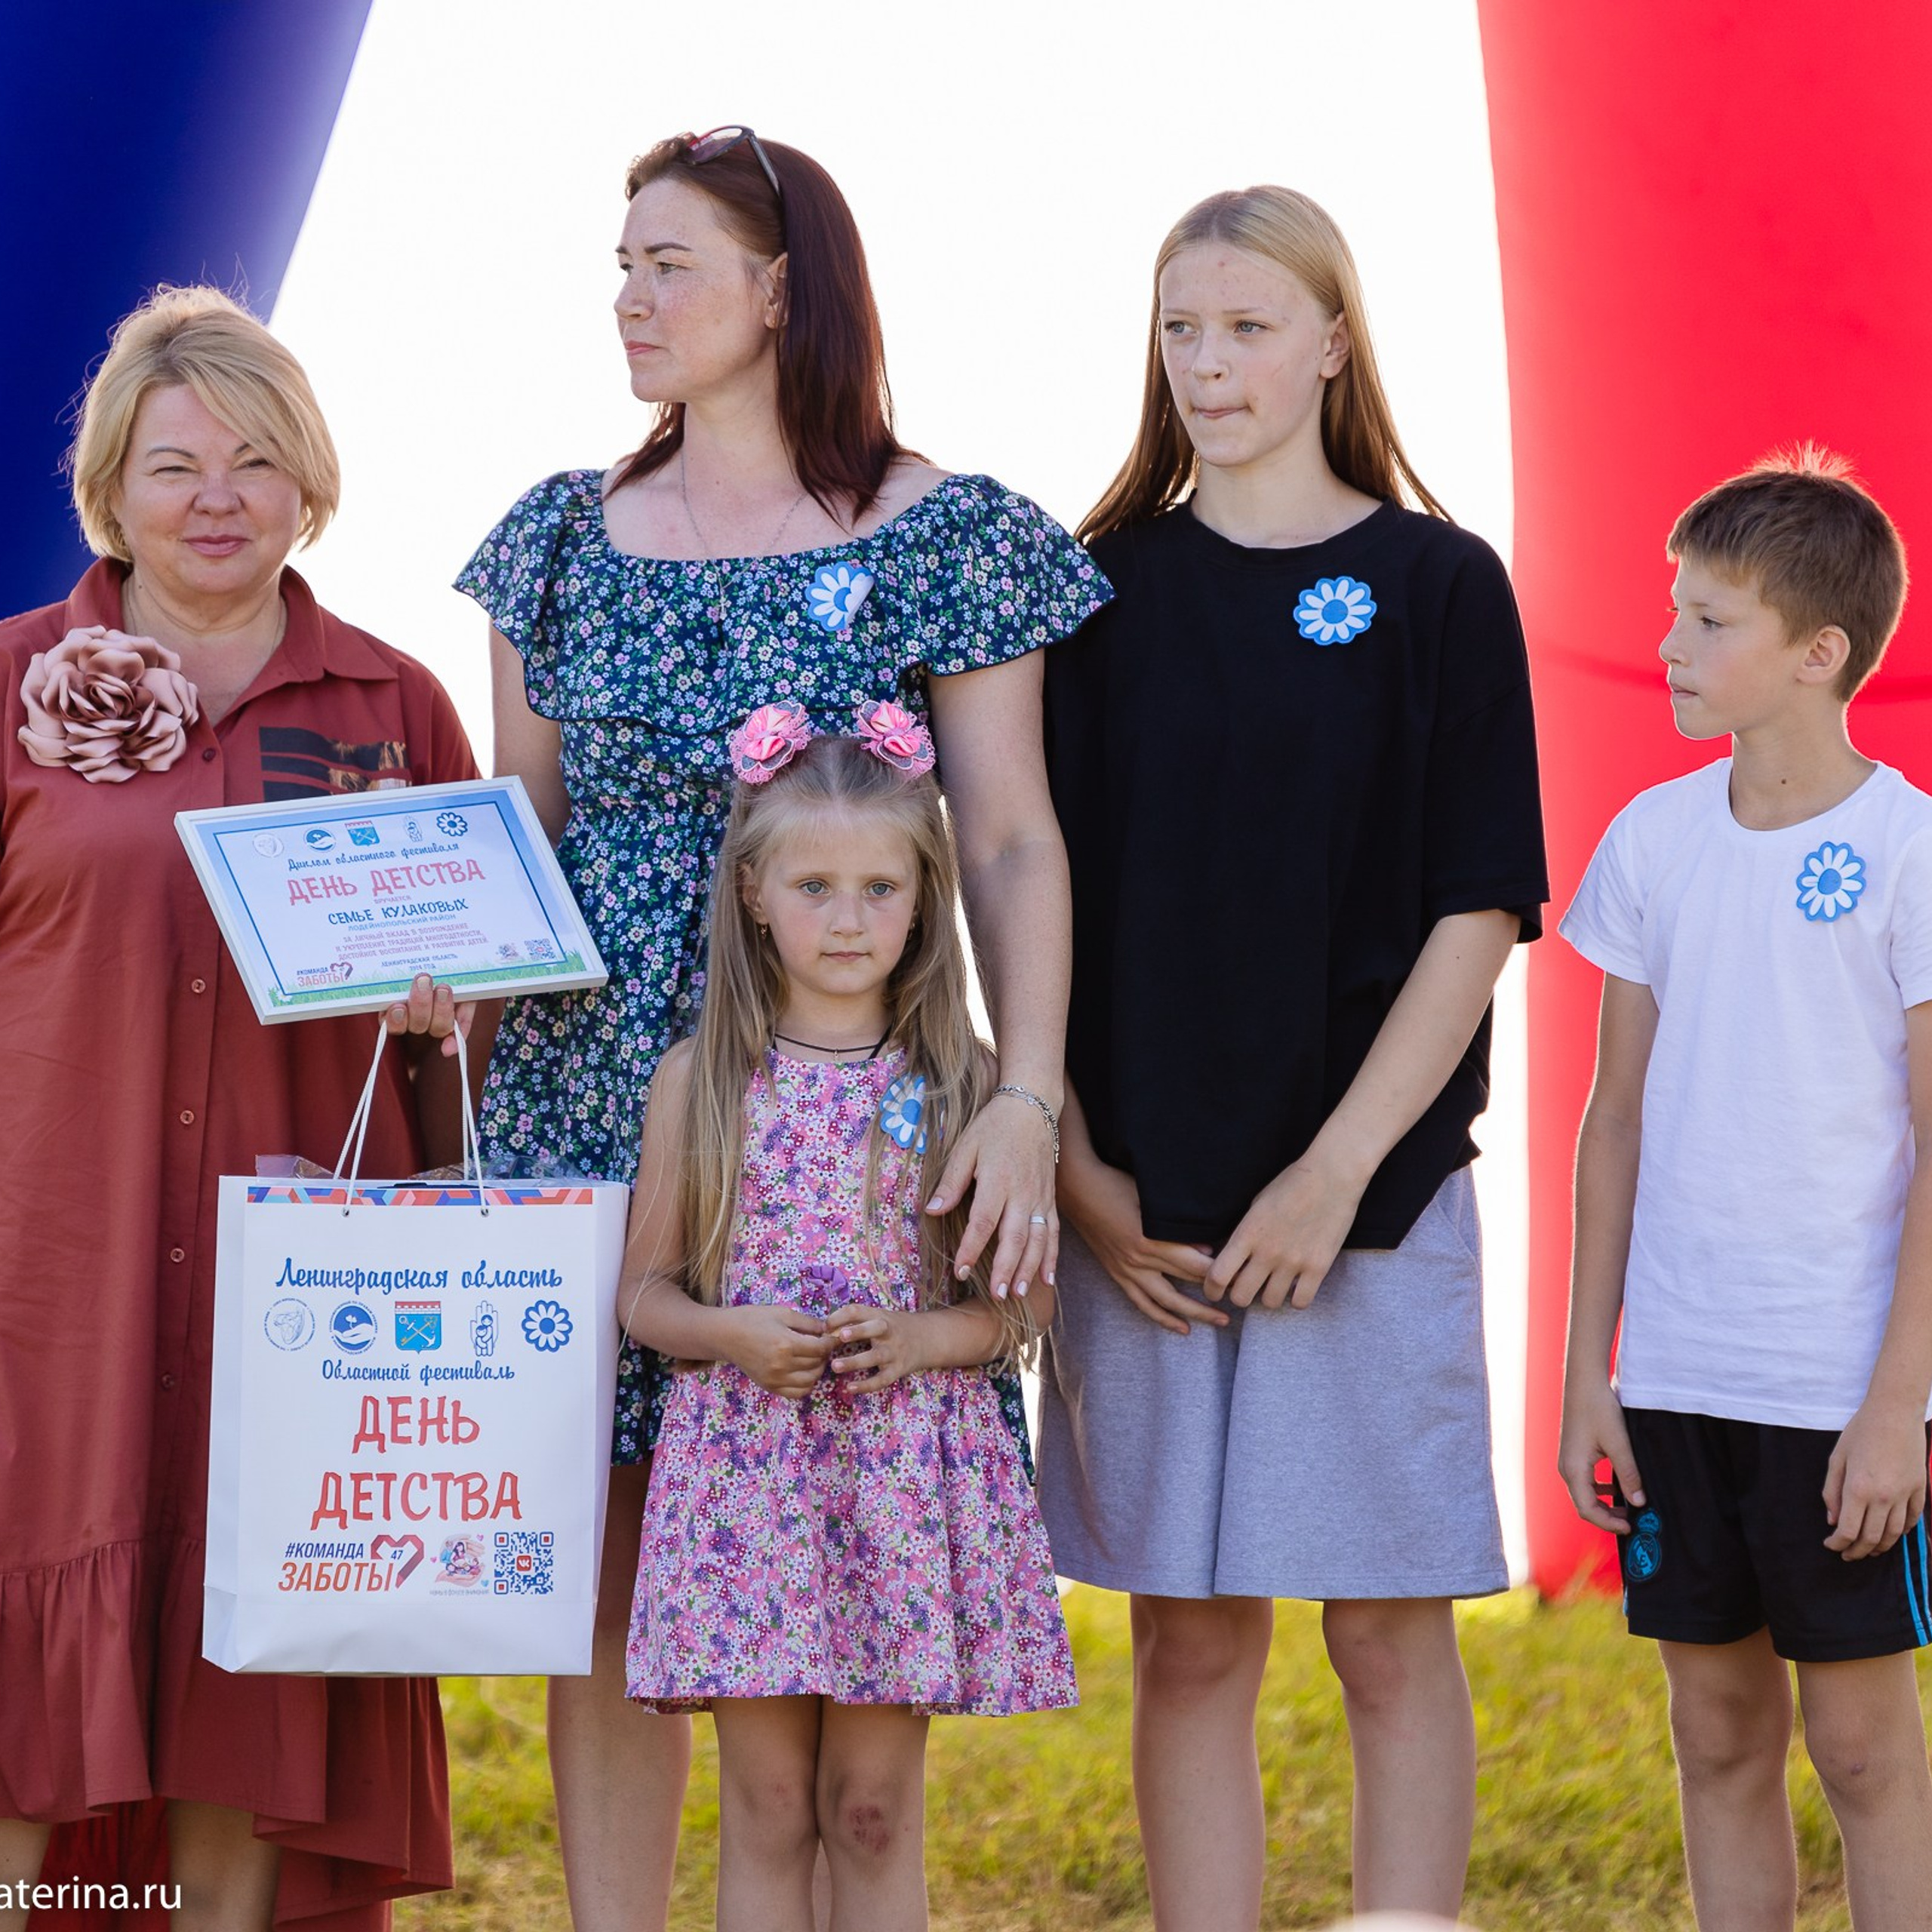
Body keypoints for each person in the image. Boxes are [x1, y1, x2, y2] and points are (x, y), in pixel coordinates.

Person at [455, 125, 1106, 1925]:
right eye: (621, 264)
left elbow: (1009, 835)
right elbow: (524, 849)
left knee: (832, 1591)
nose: (630, 299)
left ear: (778, 288)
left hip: (852, 1128)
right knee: (614, 1581)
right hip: (601, 1109)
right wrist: (461, 1085)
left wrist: (1021, 1104)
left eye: (669, 262)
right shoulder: (553, 542)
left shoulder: (944, 532)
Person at [1038, 186, 1547, 1926]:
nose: (1206, 362)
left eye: (1246, 324)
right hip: (1149, 1213)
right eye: (1180, 327)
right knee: (1186, 1639)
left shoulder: (1434, 582)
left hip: (1372, 1198)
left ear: (1334, 336)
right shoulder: (1097, 587)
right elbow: (1029, 889)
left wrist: (1332, 1175)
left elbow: (1478, 908)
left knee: (1387, 1629)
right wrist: (1079, 1172)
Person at [0, 287, 472, 1929]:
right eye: (178, 461)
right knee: (18, 1735)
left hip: (308, 1319)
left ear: (311, 484)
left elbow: (465, 1008)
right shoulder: (6, 686)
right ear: (111, 488)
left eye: (259, 461)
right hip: (47, 1295)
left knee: (238, 1693)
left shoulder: (391, 706)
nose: (219, 495)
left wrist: (451, 997)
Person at [616, 705, 1075, 1930]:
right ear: (754, 893)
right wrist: (732, 1335)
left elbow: (1016, 1309)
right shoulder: (703, 1078)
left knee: (871, 1808)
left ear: (925, 901)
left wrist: (929, 1339)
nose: (849, 917)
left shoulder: (969, 1084)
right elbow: (643, 1297)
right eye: (814, 885)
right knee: (769, 1805)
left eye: (880, 887)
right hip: (745, 1488)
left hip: (899, 1482)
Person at [1558, 451, 1932, 1931]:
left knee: (1855, 1745)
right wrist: (1590, 1375)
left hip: (1839, 1386)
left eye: (1707, 619)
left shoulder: (1905, 849)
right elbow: (1610, 1123)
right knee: (1714, 1732)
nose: (1666, 644)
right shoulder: (1651, 839)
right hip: (1675, 1382)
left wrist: (1894, 1400)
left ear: (1814, 653)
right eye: (1672, 609)